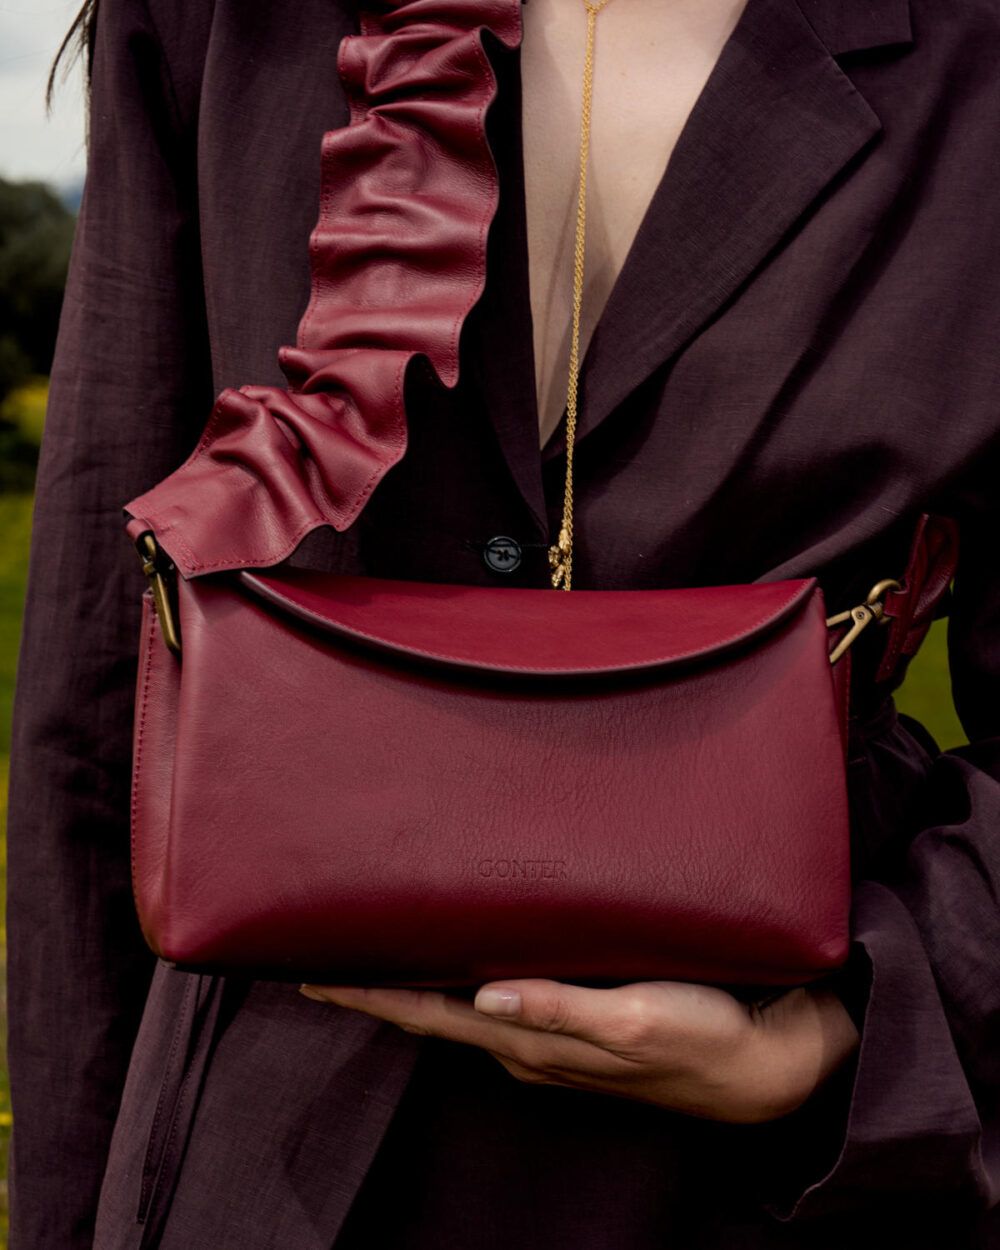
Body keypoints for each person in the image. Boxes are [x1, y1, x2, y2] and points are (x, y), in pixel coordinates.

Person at [7, 0, 999, 1246]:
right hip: (261, 1159)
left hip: (779, 1177)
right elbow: (101, 682)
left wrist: (853, 1026)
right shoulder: (222, 20)